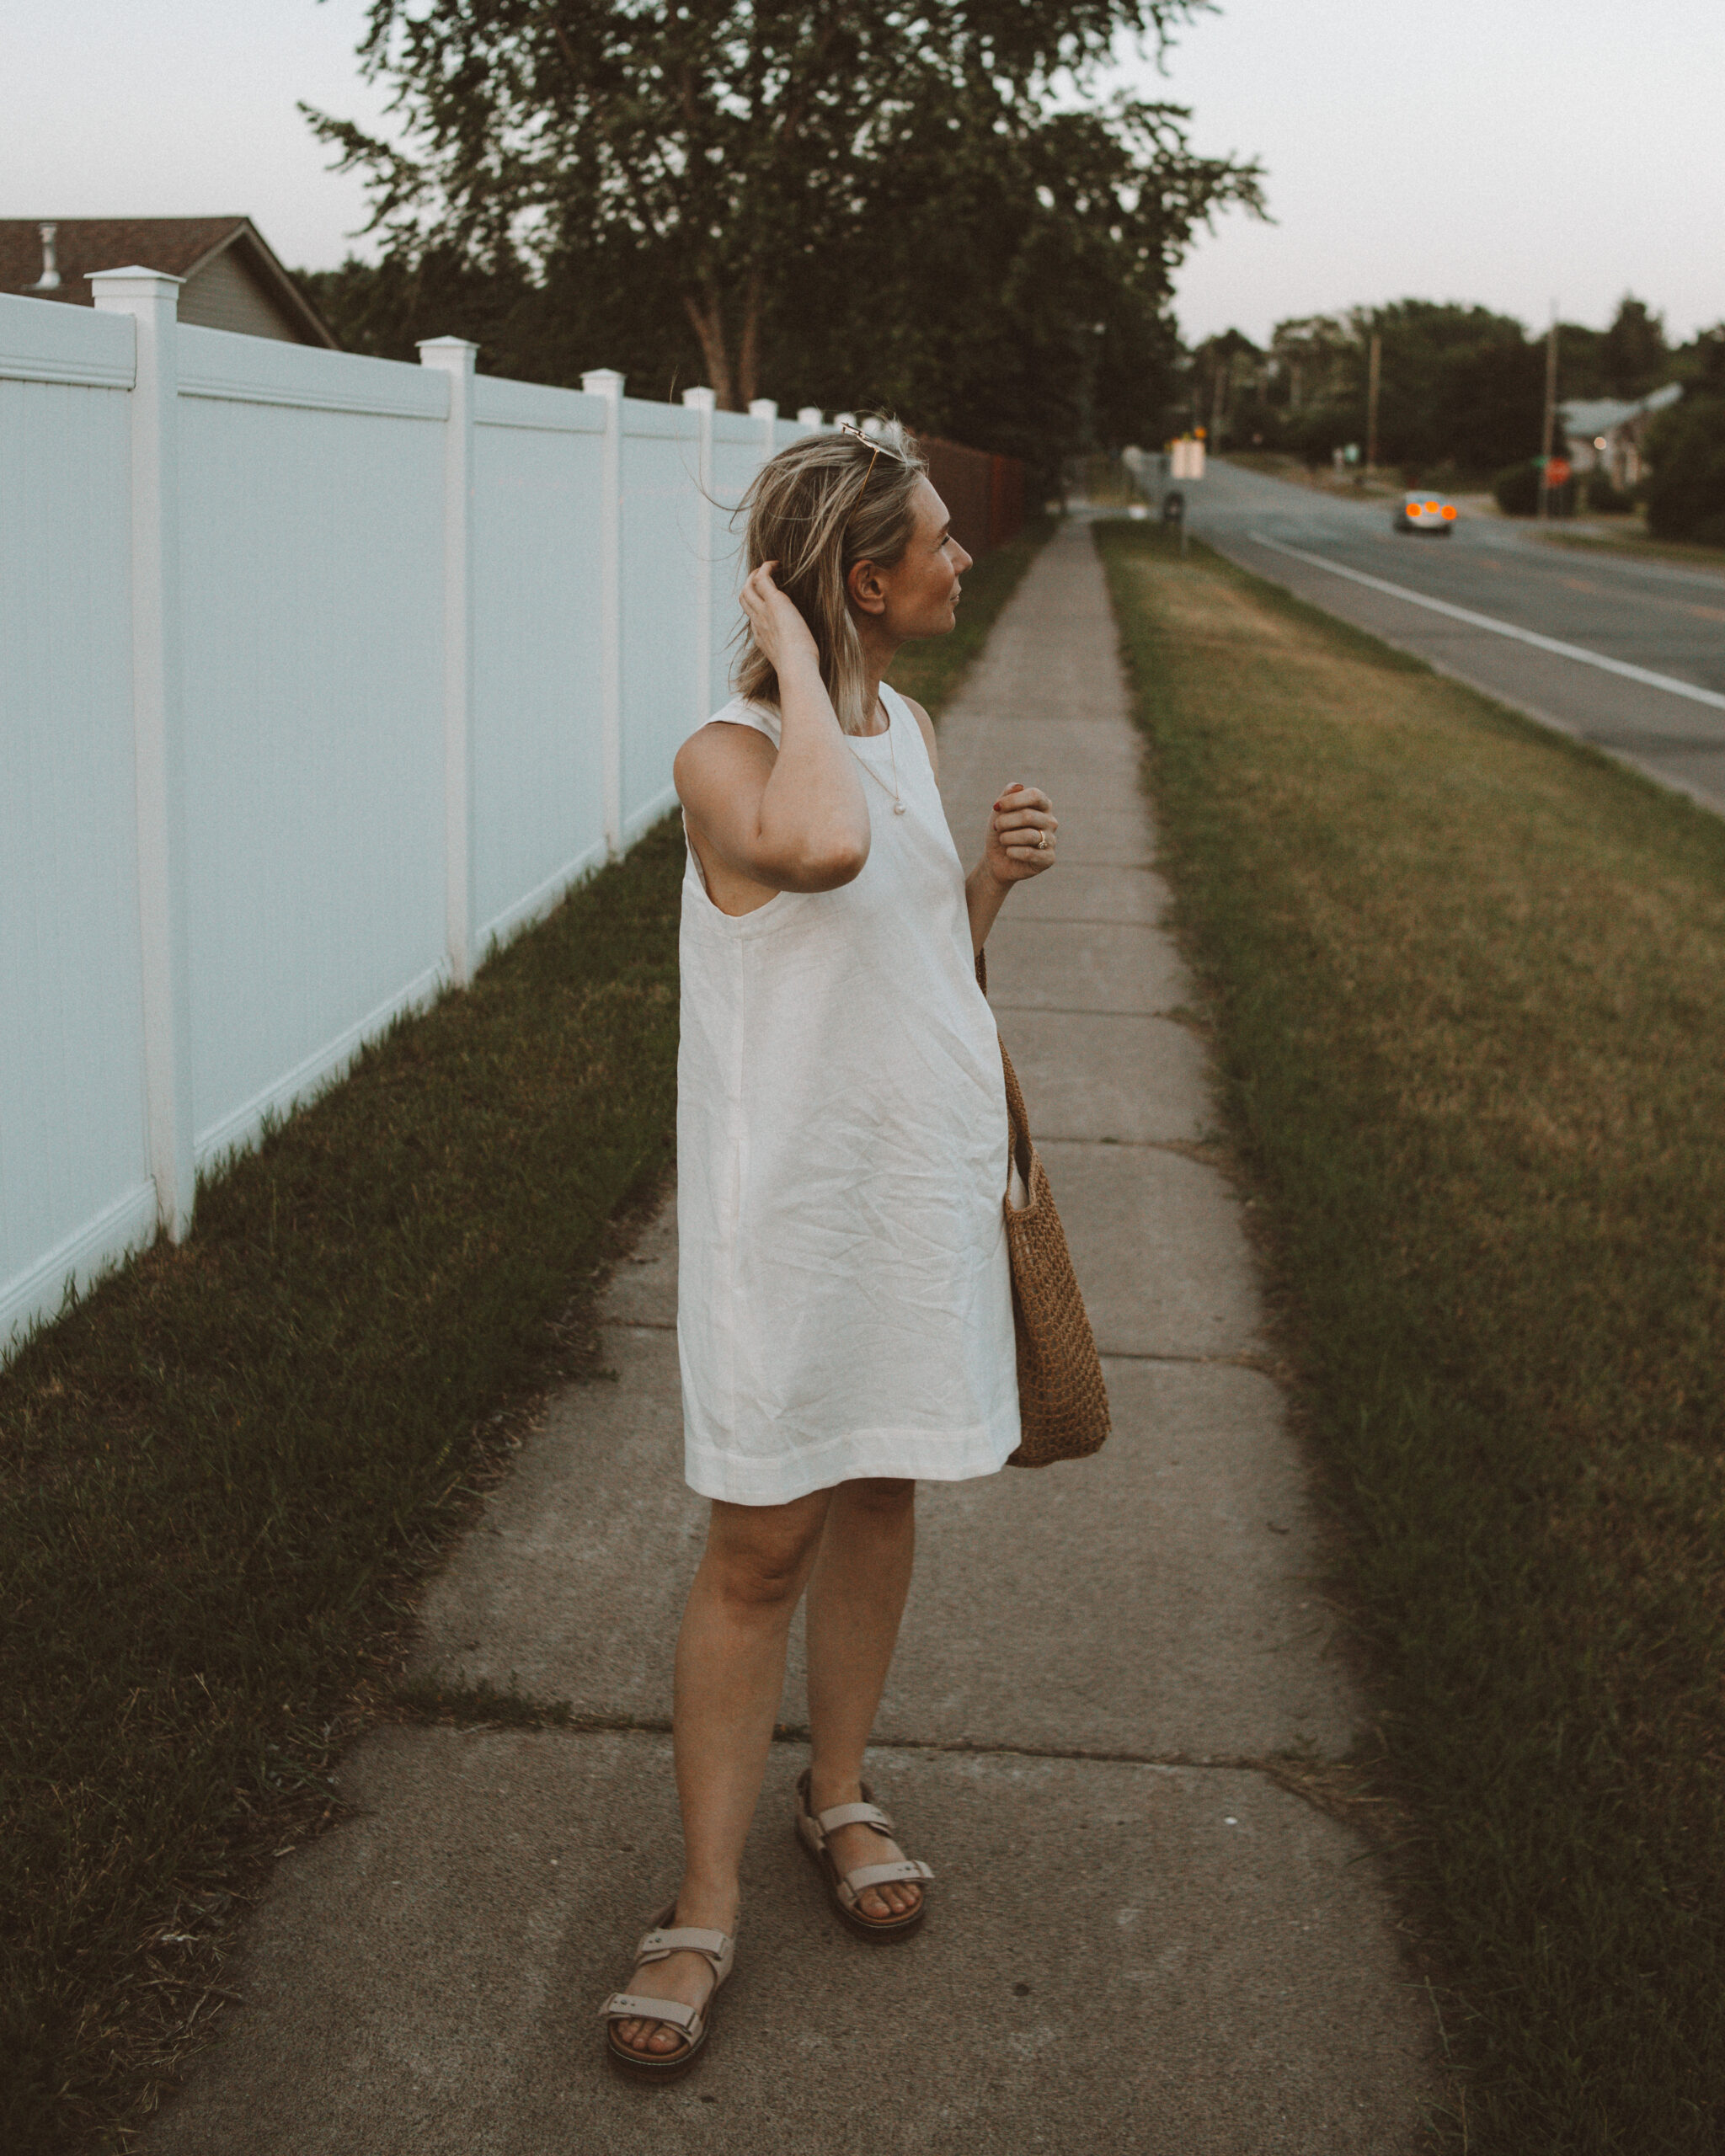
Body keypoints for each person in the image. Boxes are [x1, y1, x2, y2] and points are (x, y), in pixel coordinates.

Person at [600, 421, 1058, 2077]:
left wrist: (987, 887)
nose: (961, 555)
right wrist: (793, 658)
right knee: (756, 1548)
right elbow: (826, 849)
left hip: (907, 1193)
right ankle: (703, 1896)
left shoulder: (911, 726)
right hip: (785, 1216)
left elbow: (909, 955)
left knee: (879, 1489)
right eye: (933, 542)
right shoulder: (726, 759)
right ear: (863, 581)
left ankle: (838, 1787)